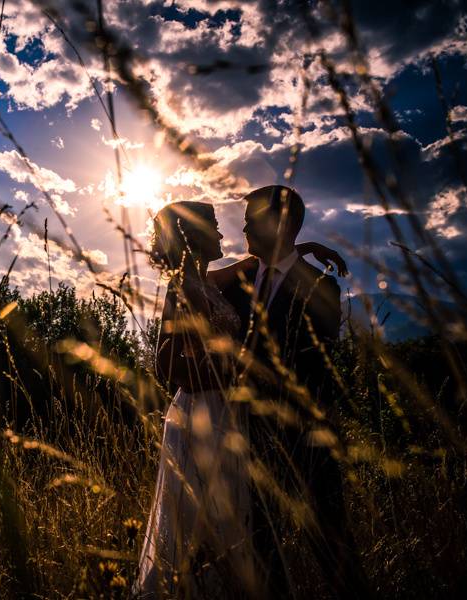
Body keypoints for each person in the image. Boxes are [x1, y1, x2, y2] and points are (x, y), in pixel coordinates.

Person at [135, 199, 348, 598]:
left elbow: (264, 262)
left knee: (231, 523)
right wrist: (231, 370)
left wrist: (303, 249)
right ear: (194, 234)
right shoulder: (182, 286)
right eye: (214, 226)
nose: (223, 233)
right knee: (200, 522)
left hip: (231, 418)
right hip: (201, 416)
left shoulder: (213, 280)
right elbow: (166, 363)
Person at [217, 185, 372, 599]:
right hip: (252, 443)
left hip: (307, 444)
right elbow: (189, 279)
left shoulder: (320, 288)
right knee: (263, 554)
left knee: (332, 549)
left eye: (252, 220)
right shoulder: (240, 280)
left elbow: (307, 367)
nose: (244, 227)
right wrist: (302, 245)